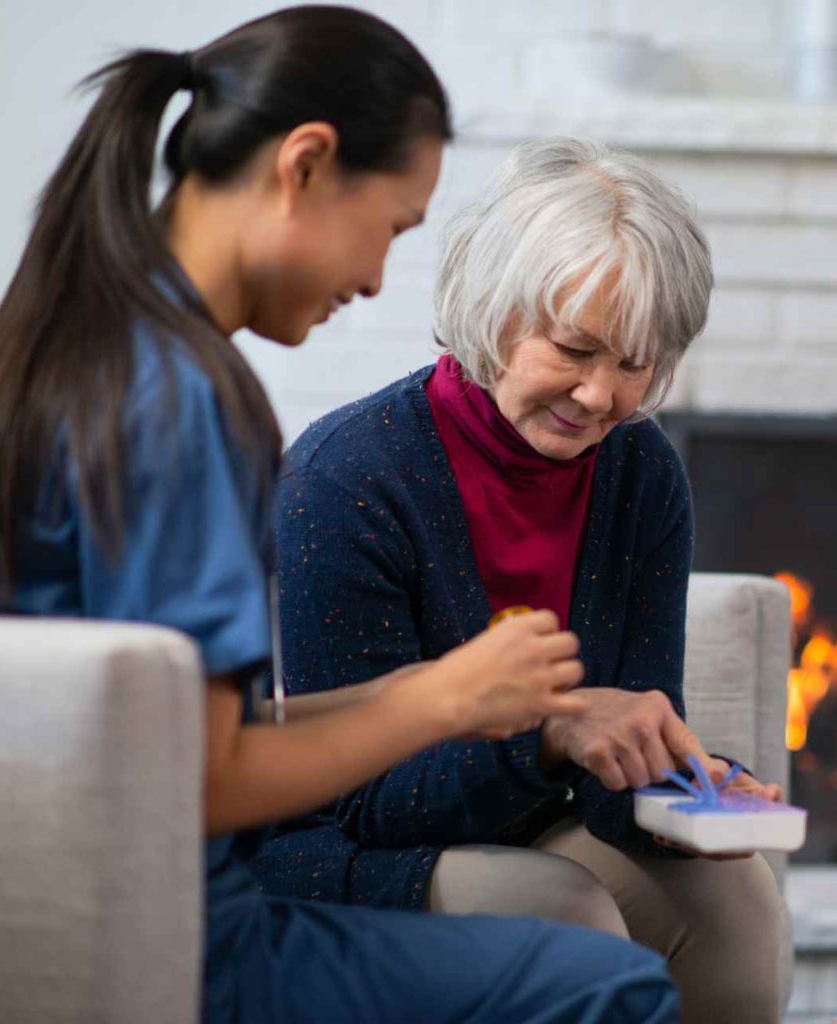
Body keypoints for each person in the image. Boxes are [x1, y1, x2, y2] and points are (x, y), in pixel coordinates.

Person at [0, 8, 681, 1024]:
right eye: (391, 226)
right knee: (612, 984)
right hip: (190, 927)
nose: (377, 280)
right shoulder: (189, 402)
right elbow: (201, 781)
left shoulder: (93, 340)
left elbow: (168, 728)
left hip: (127, 890)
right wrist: (438, 704)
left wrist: (449, 690)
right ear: (305, 165)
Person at [262, 137, 789, 1023]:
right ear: (491, 311)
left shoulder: (641, 471)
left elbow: (621, 758)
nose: (599, 397)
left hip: (535, 825)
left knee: (736, 903)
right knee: (559, 913)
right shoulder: (346, 479)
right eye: (574, 348)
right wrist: (548, 738)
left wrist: (689, 794)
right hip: (351, 854)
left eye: (636, 362)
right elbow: (353, 798)